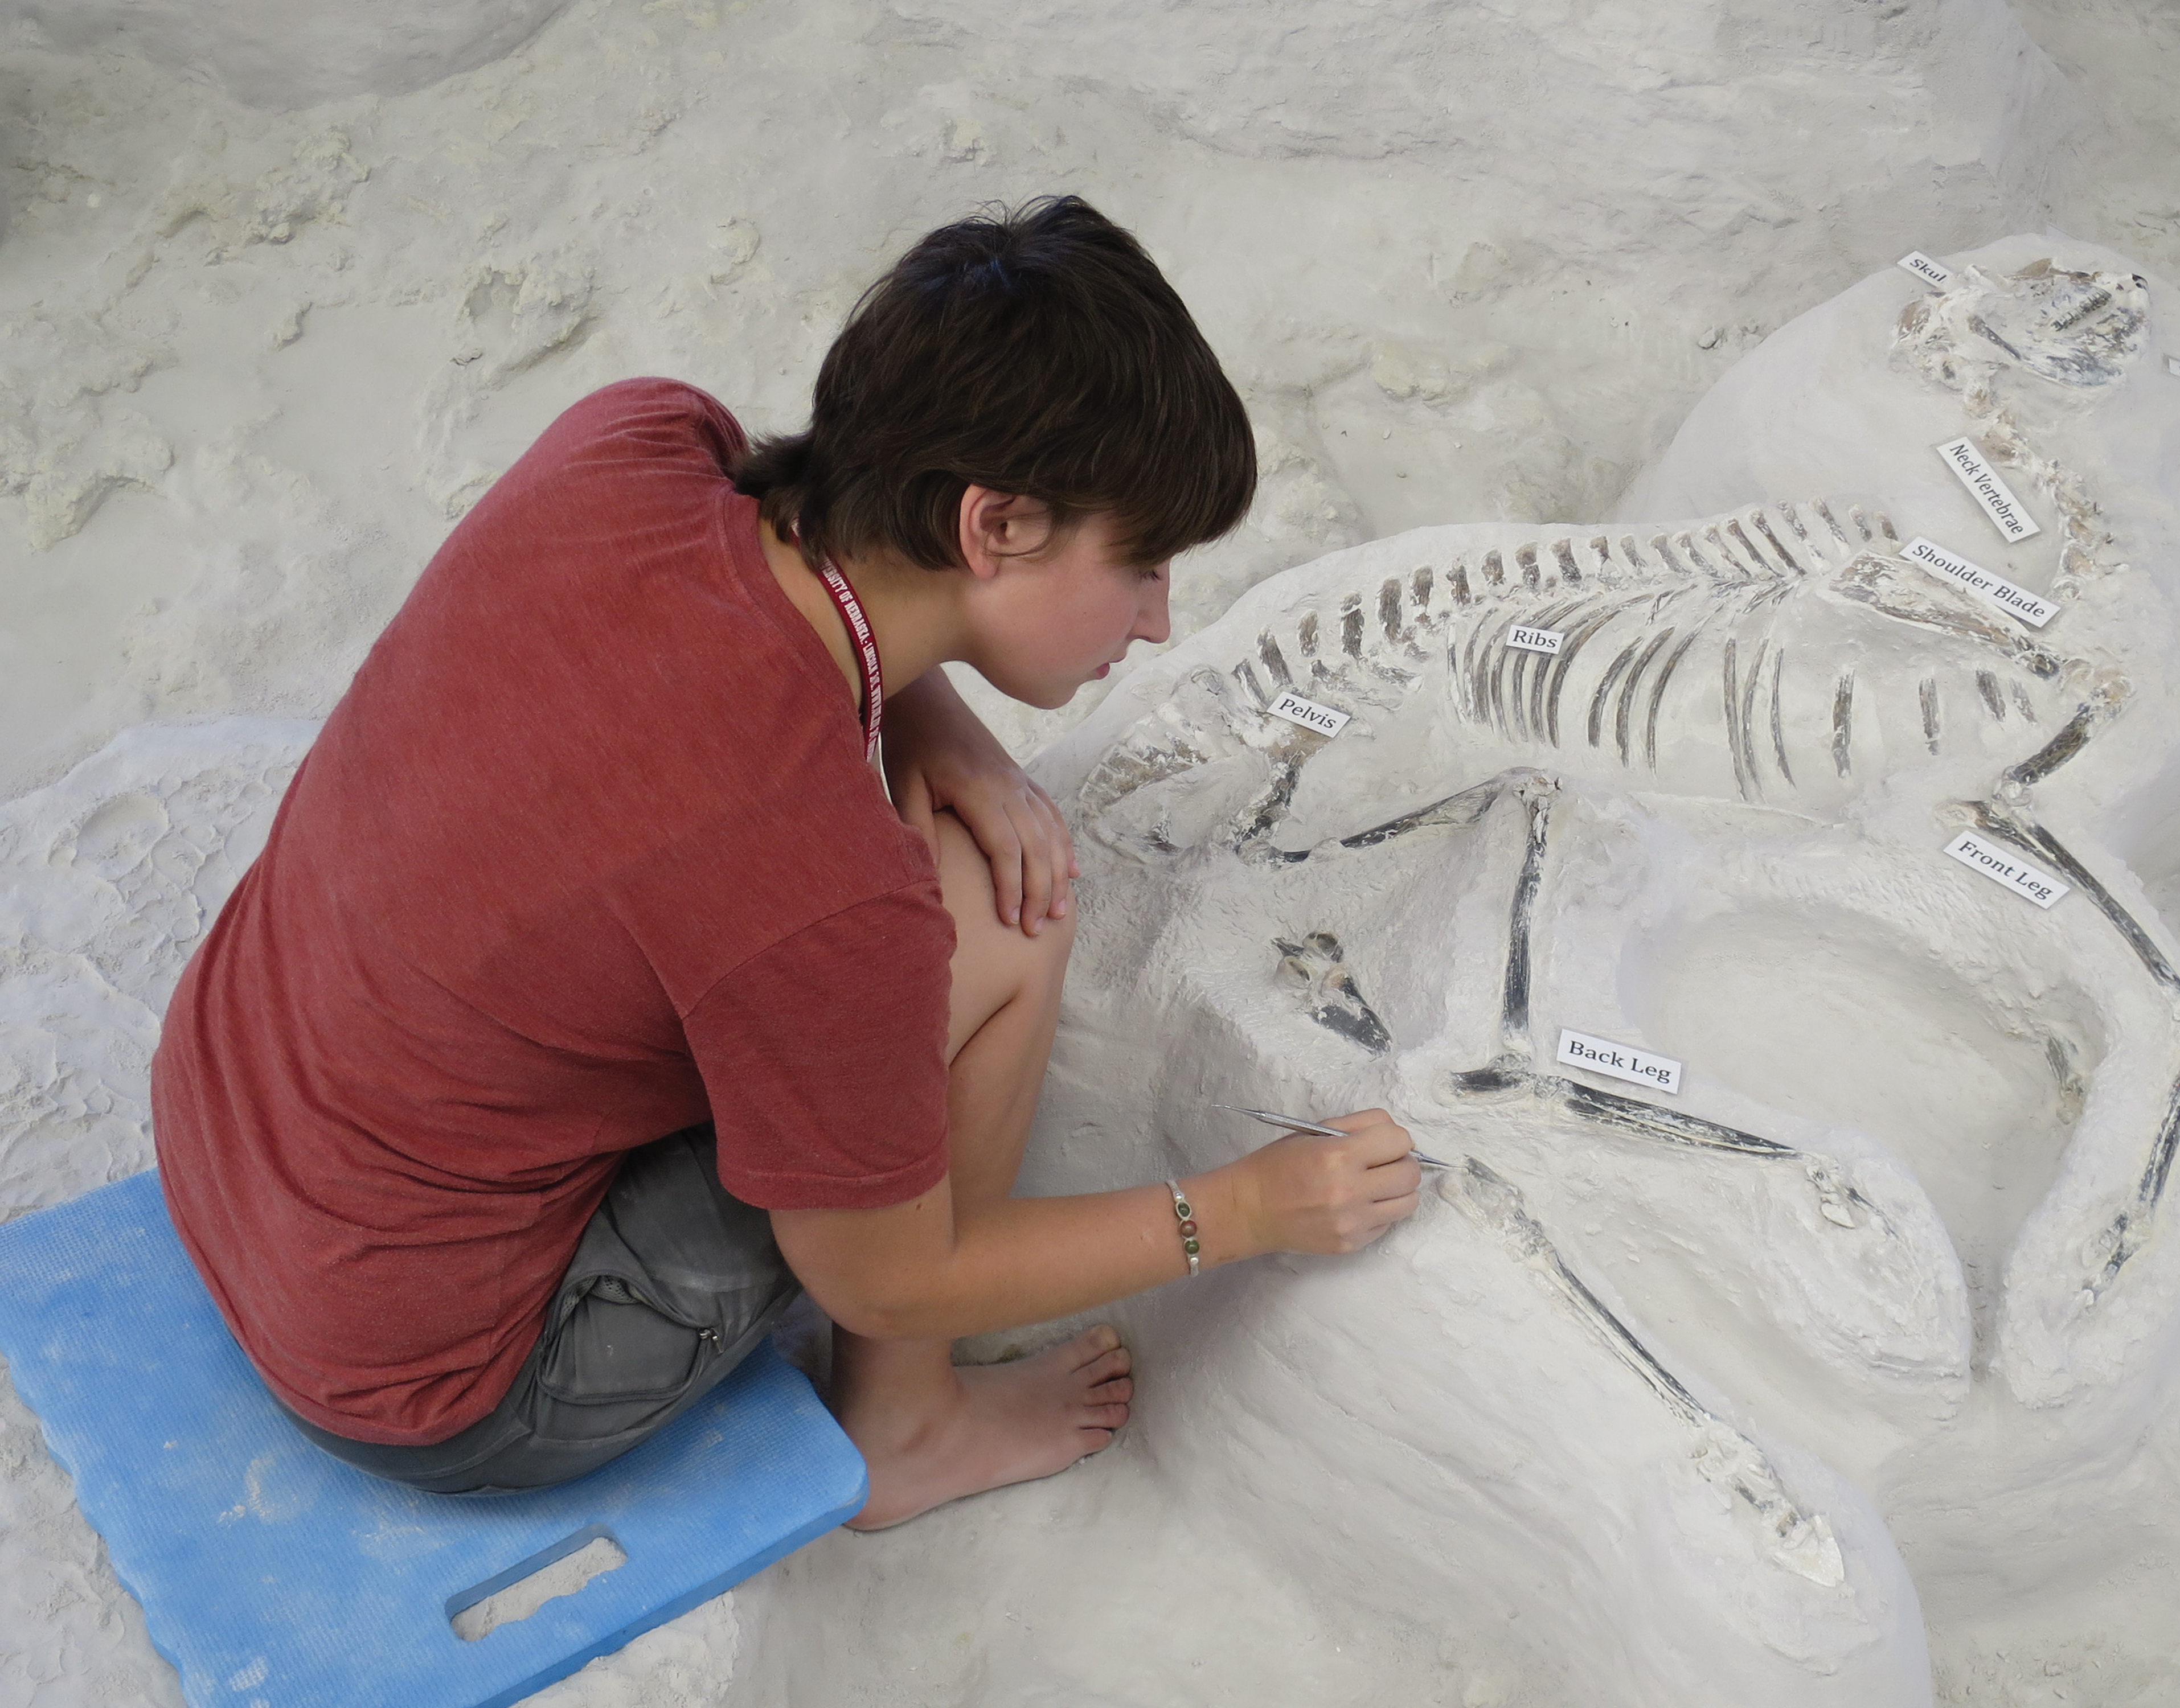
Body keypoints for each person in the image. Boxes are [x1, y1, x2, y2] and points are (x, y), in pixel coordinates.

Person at [149, 196, 1423, 1530]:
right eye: (1143, 563)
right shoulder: (831, 896)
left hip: (224, 1124)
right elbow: (893, 1279)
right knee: (1002, 922)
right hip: (441, 1383)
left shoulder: (631, 443)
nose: (1159, 622)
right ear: (995, 529)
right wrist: (1242, 1209)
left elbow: (788, 574)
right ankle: (908, 1431)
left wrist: (928, 708)